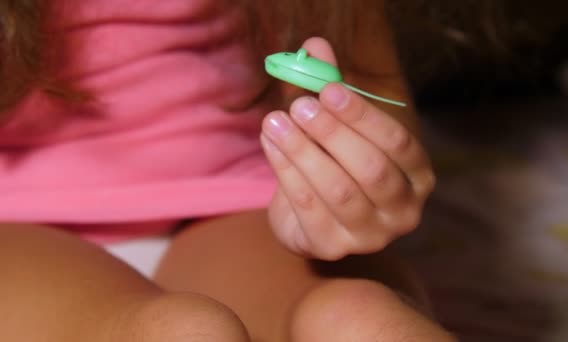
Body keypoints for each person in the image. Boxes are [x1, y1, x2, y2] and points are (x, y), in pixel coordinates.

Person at [0, 0, 455, 341]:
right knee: (184, 334)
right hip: (15, 223)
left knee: (367, 323)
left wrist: (357, 179)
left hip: (243, 209)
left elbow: (366, 84)